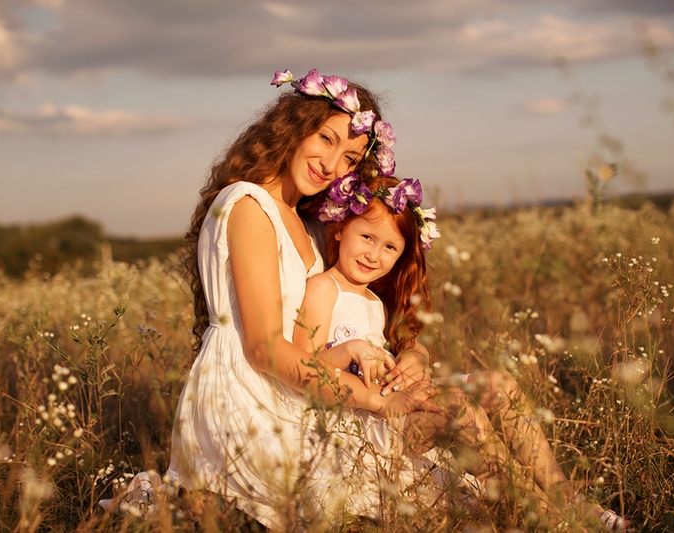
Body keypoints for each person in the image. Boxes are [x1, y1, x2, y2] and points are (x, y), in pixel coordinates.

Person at [164, 69, 441, 531]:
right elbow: (264, 348)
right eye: (326, 138)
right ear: (293, 126)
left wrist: (408, 355)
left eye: (350, 157)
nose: (333, 164)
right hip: (248, 391)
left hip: (301, 385)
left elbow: (351, 316)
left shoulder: (308, 223)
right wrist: (373, 403)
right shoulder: (249, 204)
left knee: (421, 483)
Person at [293, 174, 632, 531]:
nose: (374, 254)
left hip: (398, 398)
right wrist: (351, 349)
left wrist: (412, 364)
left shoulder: (375, 301)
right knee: (461, 409)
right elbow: (303, 363)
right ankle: (552, 517)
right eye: (366, 237)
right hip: (362, 417)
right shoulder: (323, 287)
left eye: (389, 248)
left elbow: (402, 349)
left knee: (500, 384)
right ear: (340, 229)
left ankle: (566, 497)